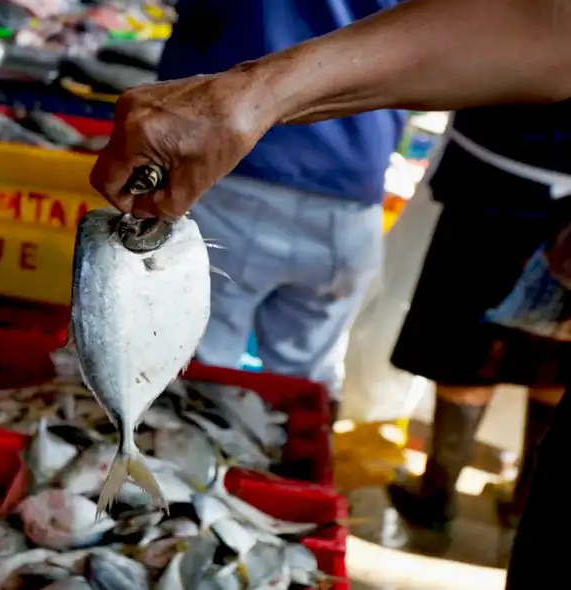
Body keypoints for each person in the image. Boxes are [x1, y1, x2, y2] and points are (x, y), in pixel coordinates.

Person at [87, 0, 571, 585]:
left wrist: (249, 95)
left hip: (258, 180)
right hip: (350, 190)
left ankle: (209, 498)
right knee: (303, 377)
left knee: (209, 372)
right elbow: (547, 30)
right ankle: (240, 504)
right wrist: (246, 98)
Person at [153, 0, 404, 422]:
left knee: (198, 368)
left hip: (236, 171)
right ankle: (293, 477)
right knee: (306, 385)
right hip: (352, 189)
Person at [386, 104, 571, 540]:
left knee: (468, 352)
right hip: (528, 189)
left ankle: (437, 496)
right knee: (556, 361)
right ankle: (525, 504)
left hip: (499, 190)